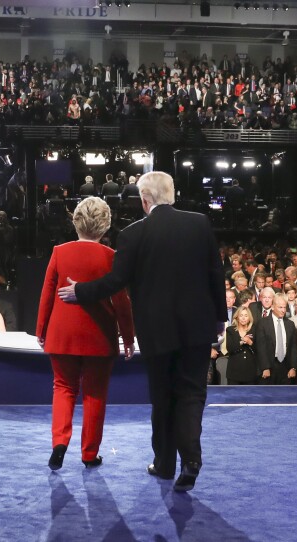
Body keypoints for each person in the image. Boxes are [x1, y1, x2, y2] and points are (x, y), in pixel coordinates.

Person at [58, 171, 225, 492]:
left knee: (163, 398)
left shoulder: (133, 234)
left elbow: (115, 283)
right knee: (191, 394)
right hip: (198, 327)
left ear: (145, 201)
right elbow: (215, 274)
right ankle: (191, 459)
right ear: (172, 195)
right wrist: (219, 318)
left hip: (156, 331)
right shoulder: (200, 223)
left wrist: (80, 292)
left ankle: (164, 465)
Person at [37, 197, 135, 470]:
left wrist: (41, 329)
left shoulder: (59, 251)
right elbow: (122, 302)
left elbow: (47, 293)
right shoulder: (111, 256)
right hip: (99, 334)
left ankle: (59, 443)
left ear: (75, 221)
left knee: (63, 387)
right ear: (105, 226)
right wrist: (128, 337)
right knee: (95, 394)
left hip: (62, 332)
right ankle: (89, 454)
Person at [255, 294, 297, 384]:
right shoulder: (262, 323)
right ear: (273, 307)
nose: (283, 310)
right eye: (280, 307)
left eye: (284, 307)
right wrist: (265, 368)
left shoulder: (290, 324)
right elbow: (260, 347)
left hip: (285, 367)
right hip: (269, 366)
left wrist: (293, 367)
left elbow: (293, 347)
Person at [223, 306, 258, 384]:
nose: (243, 318)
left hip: (250, 371)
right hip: (234, 372)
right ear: (237, 317)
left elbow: (258, 350)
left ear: (249, 318)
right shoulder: (230, 330)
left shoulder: (254, 329)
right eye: (241, 315)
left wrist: (250, 342)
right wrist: (241, 342)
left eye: (246, 316)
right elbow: (230, 348)